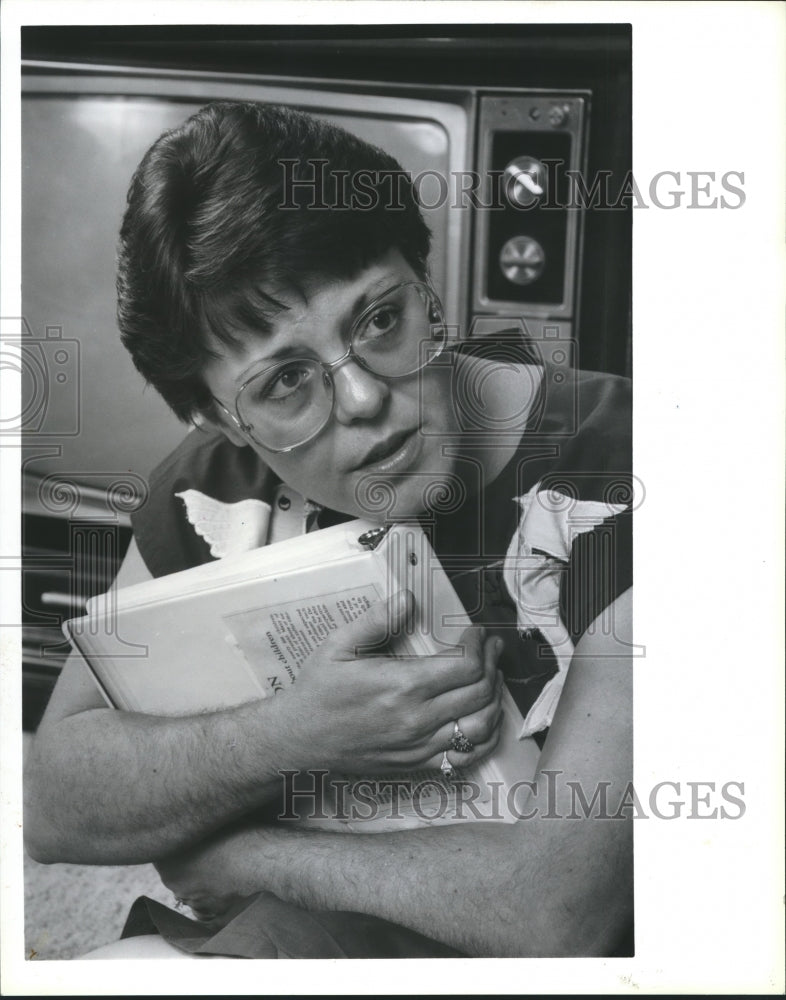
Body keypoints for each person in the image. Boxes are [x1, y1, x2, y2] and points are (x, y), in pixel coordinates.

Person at [24, 101, 633, 959]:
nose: (363, 401)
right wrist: (294, 734)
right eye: (284, 383)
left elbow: (558, 913)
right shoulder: (215, 481)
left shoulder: (627, 464)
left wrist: (248, 852)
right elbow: (52, 803)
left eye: (381, 319)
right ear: (218, 420)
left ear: (427, 284)